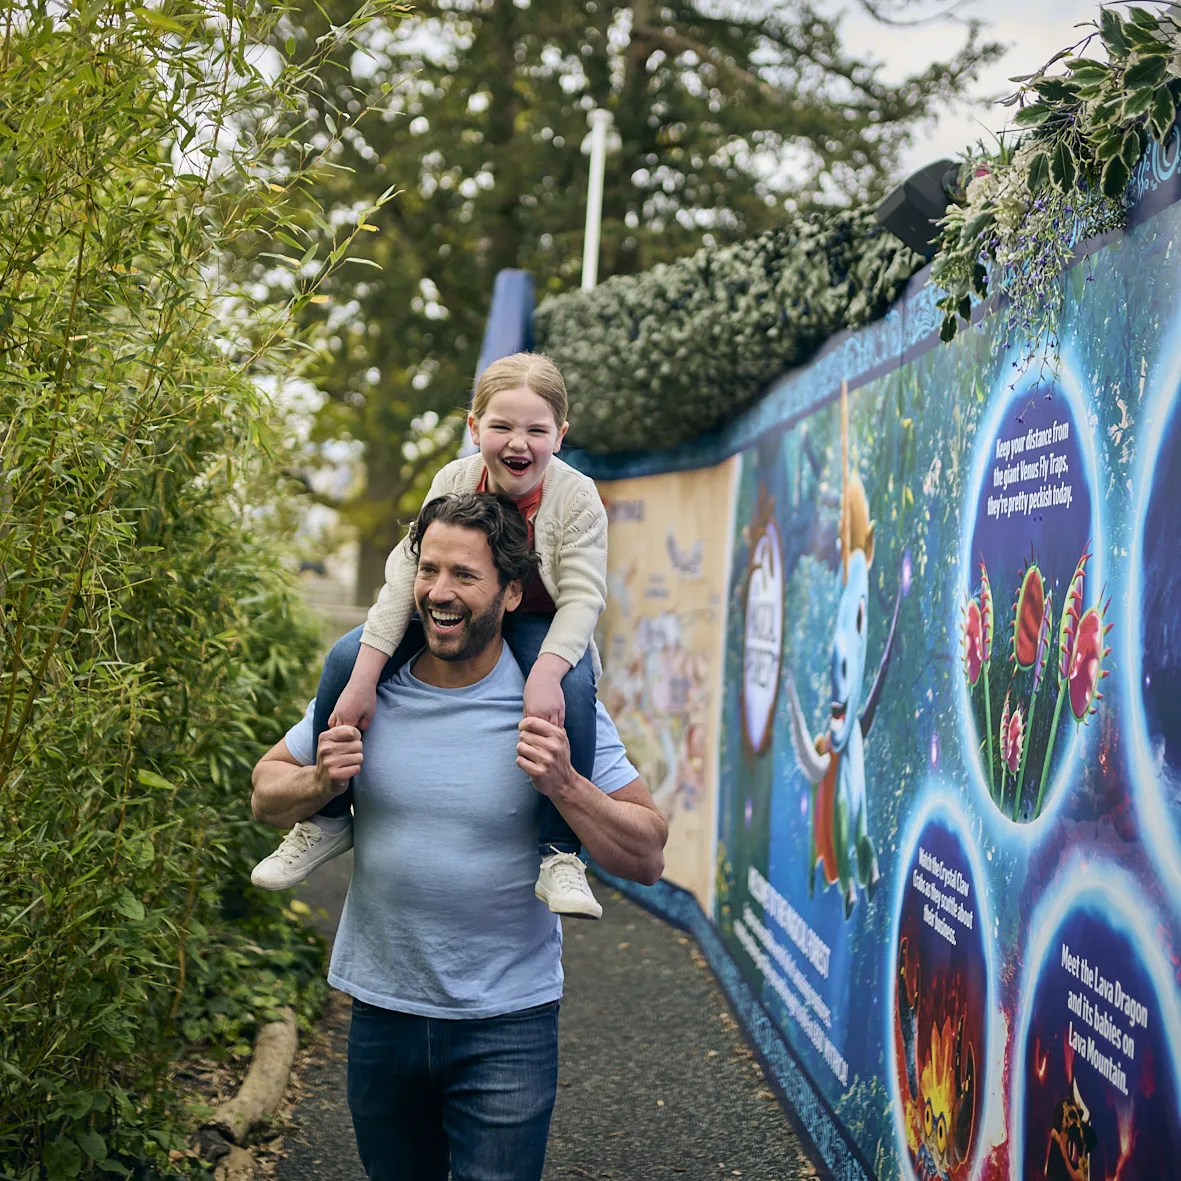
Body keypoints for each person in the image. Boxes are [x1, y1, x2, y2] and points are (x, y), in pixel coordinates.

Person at [251, 492, 667, 1181]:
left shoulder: (555, 706)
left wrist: (566, 784)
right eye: (429, 570)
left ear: (510, 593)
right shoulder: (368, 687)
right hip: (381, 1011)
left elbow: (647, 853)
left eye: (464, 576)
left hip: (506, 1023)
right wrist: (320, 783)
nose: (439, 593)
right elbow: (265, 793)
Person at [251, 353, 610, 918]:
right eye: (502, 426)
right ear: (473, 427)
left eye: (537, 430)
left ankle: (560, 854)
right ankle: (324, 819)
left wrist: (546, 673)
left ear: (560, 436)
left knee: (576, 688)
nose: (519, 443)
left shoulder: (578, 498)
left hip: (539, 614)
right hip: (457, 602)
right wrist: (365, 676)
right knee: (347, 656)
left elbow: (584, 597)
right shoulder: (453, 480)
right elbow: (405, 578)